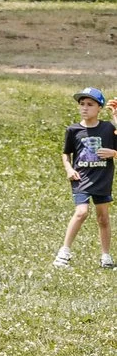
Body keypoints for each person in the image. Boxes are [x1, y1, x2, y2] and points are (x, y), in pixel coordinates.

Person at [57, 87, 116, 269]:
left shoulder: (108, 128)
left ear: (99, 108)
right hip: (81, 178)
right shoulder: (73, 130)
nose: (85, 108)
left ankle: (106, 256)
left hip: (102, 178)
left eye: (90, 104)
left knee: (103, 218)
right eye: (82, 104)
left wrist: (114, 152)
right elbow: (66, 154)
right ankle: (64, 253)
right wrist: (68, 169)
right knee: (81, 212)